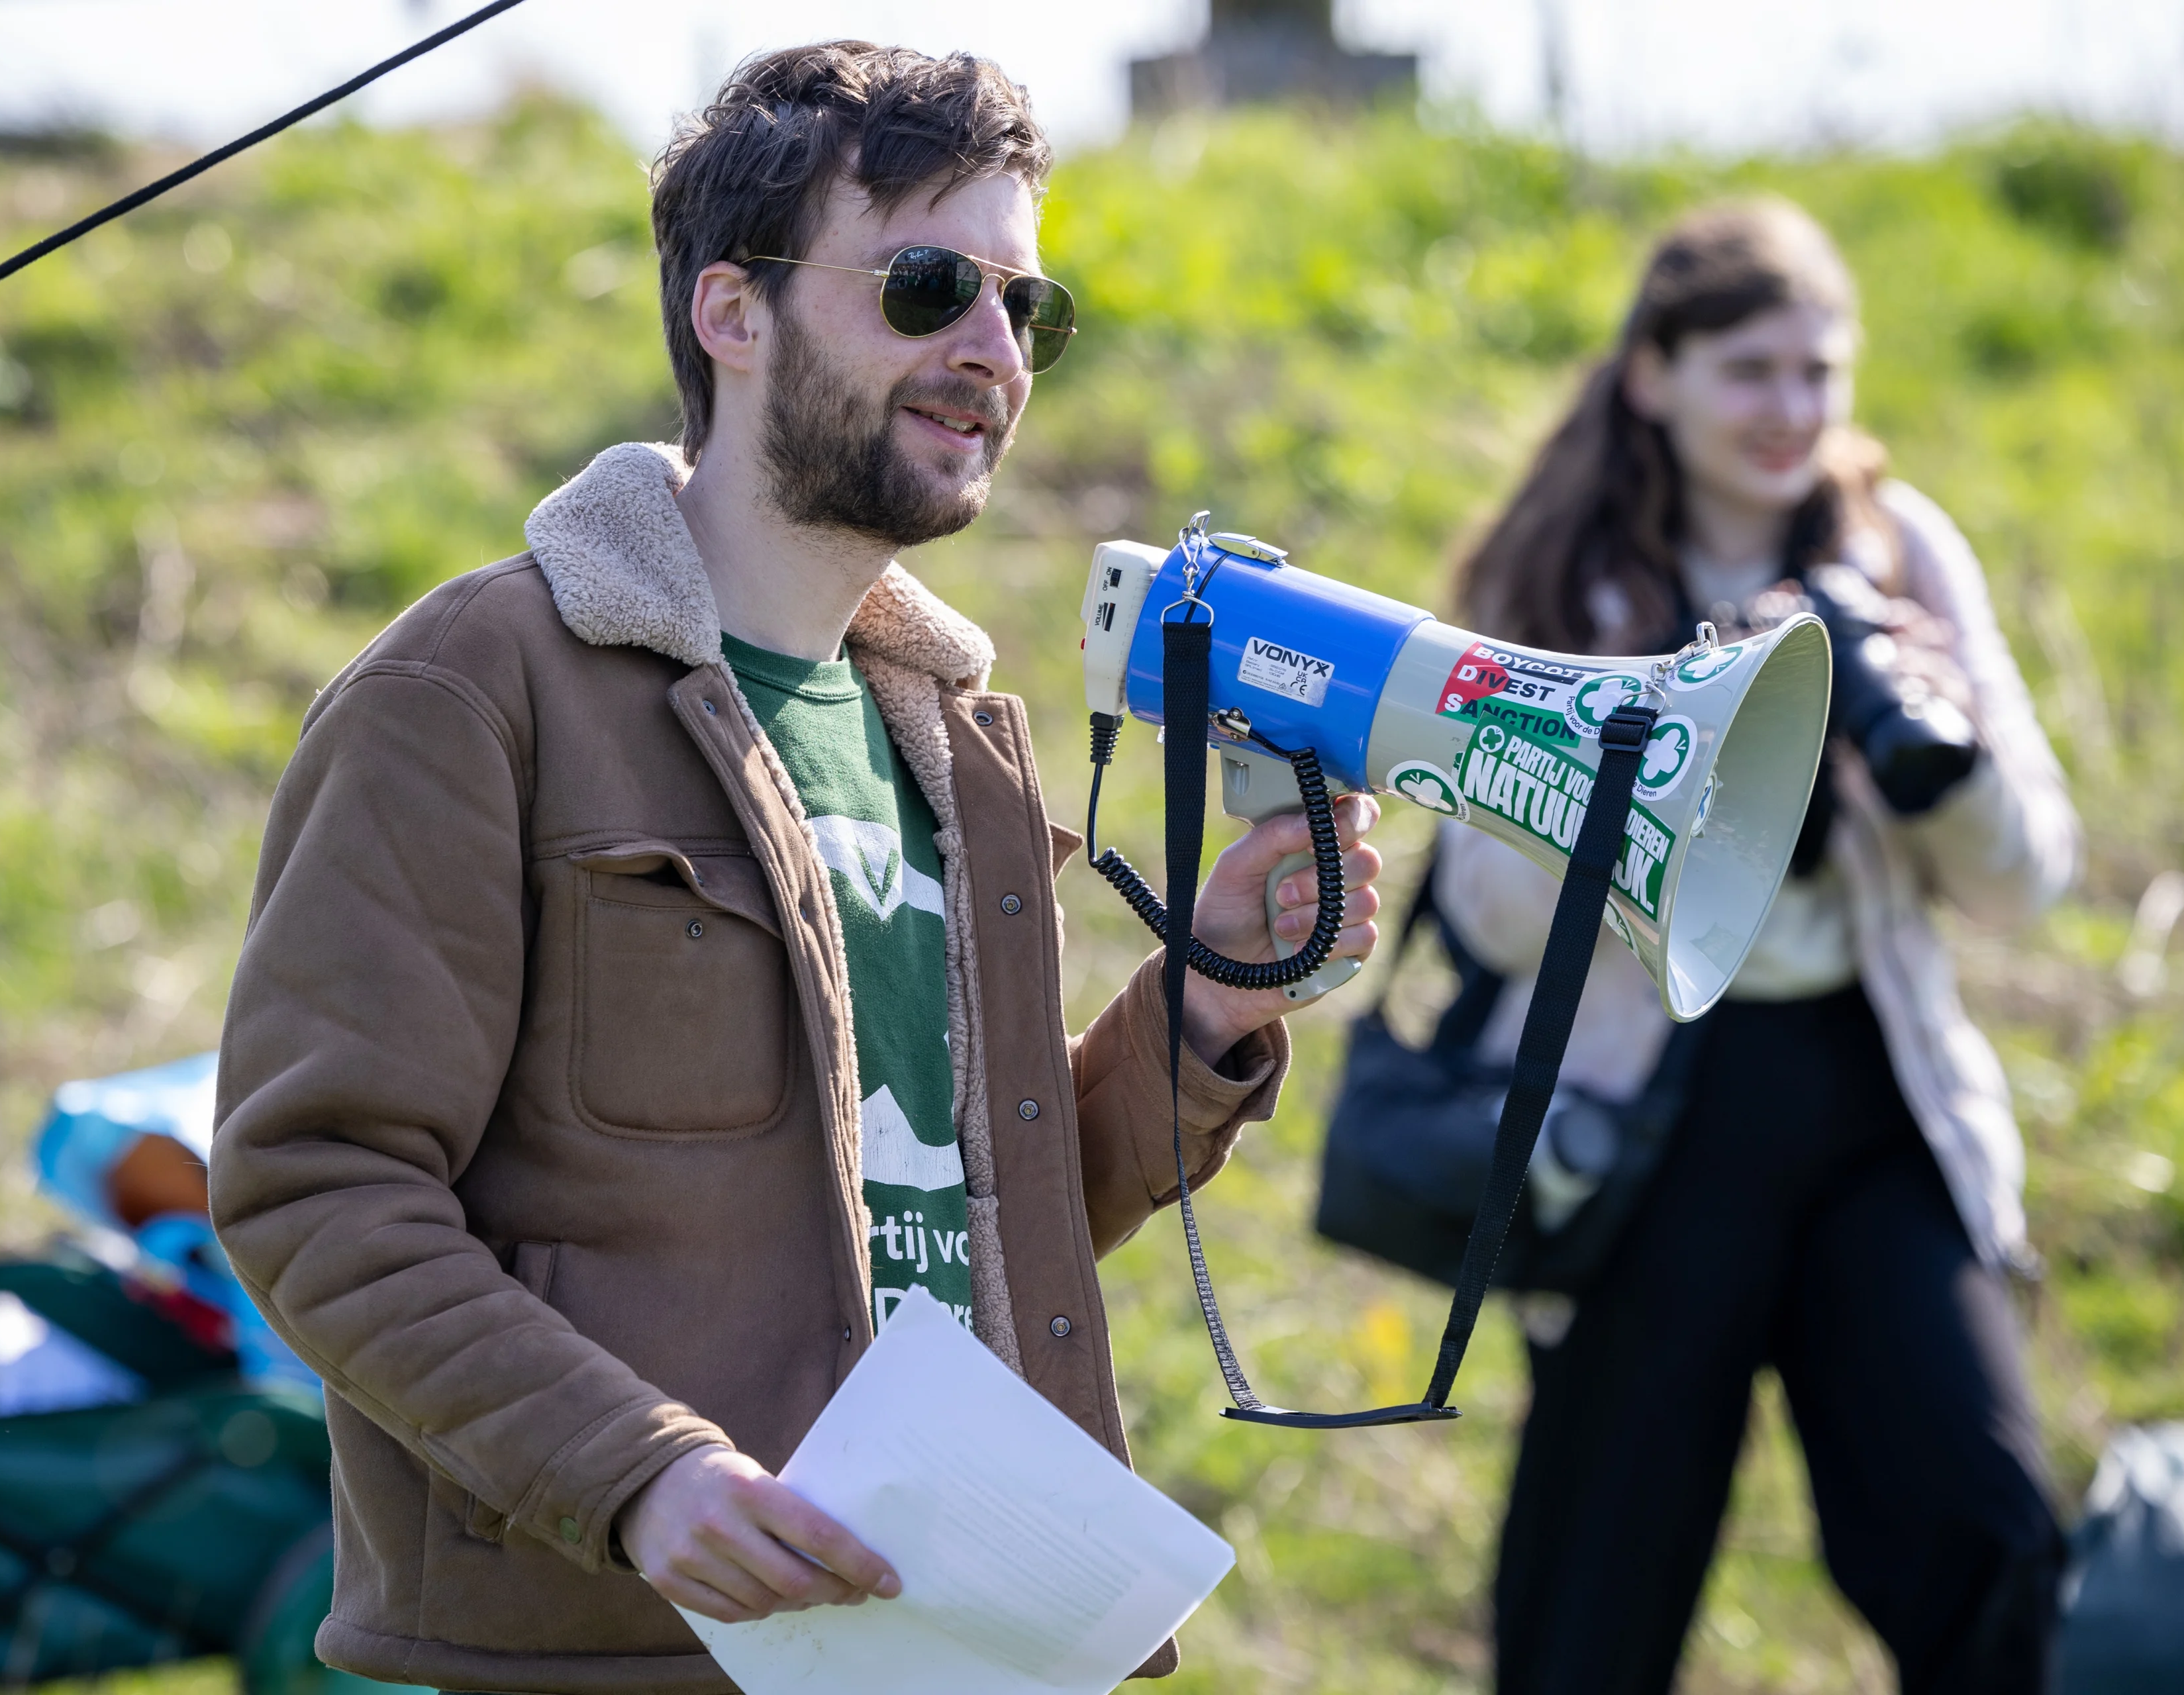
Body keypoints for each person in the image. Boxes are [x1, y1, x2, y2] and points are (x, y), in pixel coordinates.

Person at [205, 41, 1382, 1695]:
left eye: (1026, 310)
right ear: (732, 312)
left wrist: (1197, 1008)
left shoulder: (952, 739)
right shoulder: (473, 689)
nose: (992, 352)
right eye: (927, 286)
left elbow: (972, 1205)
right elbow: (316, 1186)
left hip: (948, 1644)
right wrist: (640, 1472)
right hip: (614, 1651)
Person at [1438, 199, 2079, 1693]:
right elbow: (1487, 914)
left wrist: (1937, 742)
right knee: (1593, 1605)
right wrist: (1671, 761)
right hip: (1642, 1122)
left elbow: (2031, 880)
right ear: (1653, 374)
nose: (1792, 409)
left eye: (1819, 372)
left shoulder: (1901, 549)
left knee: (1990, 1539)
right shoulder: (1571, 580)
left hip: (1873, 1102)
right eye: (1750, 370)